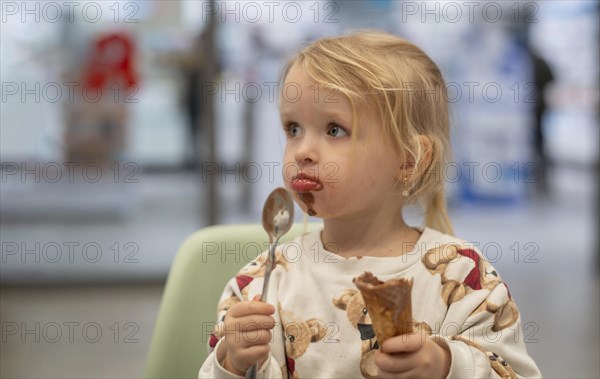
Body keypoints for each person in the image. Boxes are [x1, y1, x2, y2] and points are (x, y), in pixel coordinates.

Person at [199, 31, 542, 379]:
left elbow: (512, 372)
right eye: (293, 128)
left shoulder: (462, 276)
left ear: (409, 160)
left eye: (334, 130)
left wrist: (445, 365)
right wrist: (234, 363)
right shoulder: (259, 284)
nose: (301, 151)